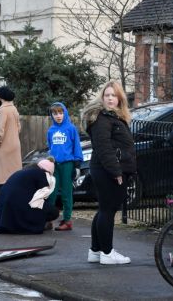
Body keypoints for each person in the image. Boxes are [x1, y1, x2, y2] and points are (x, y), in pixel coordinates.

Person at [82, 81, 136, 265]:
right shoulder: (102, 119)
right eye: (107, 95)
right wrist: (116, 171)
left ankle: (96, 251)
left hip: (108, 169)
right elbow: (104, 147)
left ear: (120, 98)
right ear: (102, 98)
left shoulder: (114, 117)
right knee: (108, 210)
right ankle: (107, 252)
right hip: (108, 170)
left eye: (114, 95)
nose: (111, 98)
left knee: (104, 210)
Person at [46, 102, 84, 231]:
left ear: (65, 113)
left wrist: (77, 165)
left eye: (60, 113)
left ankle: (67, 220)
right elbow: (50, 148)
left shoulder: (71, 129)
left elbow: (76, 147)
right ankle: (48, 220)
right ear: (51, 115)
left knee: (66, 193)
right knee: (51, 192)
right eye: (55, 113)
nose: (58, 116)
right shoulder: (51, 131)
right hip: (54, 165)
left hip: (68, 164)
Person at [0, 158, 59, 234]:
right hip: (18, 206)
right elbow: (44, 199)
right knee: (54, 211)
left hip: (3, 220)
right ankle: (36, 224)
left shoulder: (23, 172)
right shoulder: (42, 174)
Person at [0, 86, 22, 196]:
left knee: (0, 179)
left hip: (2, 150)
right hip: (13, 148)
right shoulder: (13, 109)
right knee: (11, 179)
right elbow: (19, 128)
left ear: (0, 96)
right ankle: (8, 206)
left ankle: (2, 206)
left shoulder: (3, 110)